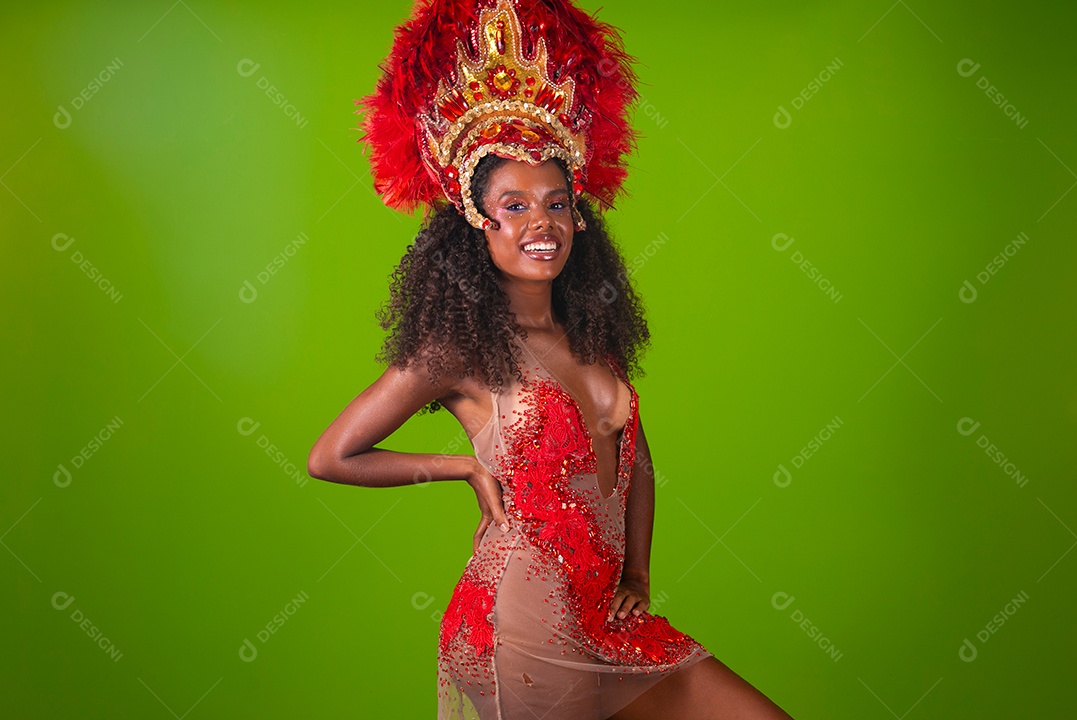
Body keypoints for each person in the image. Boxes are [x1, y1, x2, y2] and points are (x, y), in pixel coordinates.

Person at [308, 1, 794, 717]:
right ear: (477, 222)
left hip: (607, 614)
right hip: (523, 623)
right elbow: (332, 456)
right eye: (514, 206)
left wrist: (638, 571)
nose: (542, 223)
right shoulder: (459, 350)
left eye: (558, 203)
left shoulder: (588, 332)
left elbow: (636, 456)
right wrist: (463, 468)